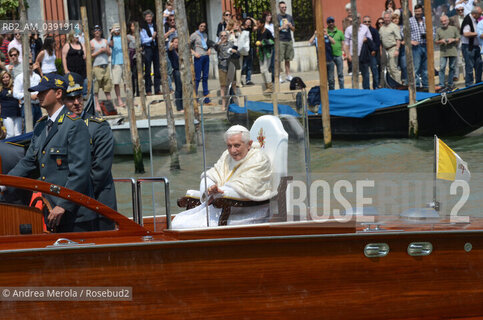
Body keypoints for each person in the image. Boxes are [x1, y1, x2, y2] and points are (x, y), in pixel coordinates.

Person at [8, 73, 97, 232]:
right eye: (38, 92)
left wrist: (63, 205)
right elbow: (28, 162)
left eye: (43, 91)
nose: (39, 95)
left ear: (58, 93)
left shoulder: (74, 125)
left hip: (74, 215)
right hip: (51, 211)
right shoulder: (41, 126)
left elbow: (80, 172)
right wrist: (4, 184)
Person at [171, 125, 273, 229]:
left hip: (246, 213)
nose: (232, 150)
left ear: (249, 144)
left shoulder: (259, 159)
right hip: (221, 206)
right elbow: (211, 174)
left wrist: (219, 192)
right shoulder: (227, 156)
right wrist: (210, 188)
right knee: (177, 222)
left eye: (237, 145)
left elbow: (248, 187)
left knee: (183, 225)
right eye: (229, 146)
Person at [63, 72, 116, 229]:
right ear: (63, 100)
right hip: (74, 206)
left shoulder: (98, 127)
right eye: (71, 99)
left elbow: (100, 170)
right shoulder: (61, 129)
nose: (77, 102)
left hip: (99, 202)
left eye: (79, 97)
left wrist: (72, 194)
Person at [344, 15, 373, 89]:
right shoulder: (349, 29)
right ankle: (355, 90)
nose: (357, 20)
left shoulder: (365, 28)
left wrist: (366, 39)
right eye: (355, 18)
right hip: (353, 55)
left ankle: (366, 90)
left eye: (358, 18)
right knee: (355, 74)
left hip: (364, 55)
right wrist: (348, 55)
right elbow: (346, 43)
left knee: (365, 74)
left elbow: (370, 38)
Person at [13, 59, 42, 127]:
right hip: (27, 105)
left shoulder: (37, 77)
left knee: (39, 127)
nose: (29, 65)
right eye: (27, 64)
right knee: (28, 129)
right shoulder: (19, 77)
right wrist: (29, 96)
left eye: (31, 63)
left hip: (37, 104)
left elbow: (41, 89)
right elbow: (15, 93)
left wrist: (38, 95)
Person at [90, 25, 113, 113]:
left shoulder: (105, 41)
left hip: (105, 65)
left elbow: (109, 53)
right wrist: (98, 52)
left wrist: (105, 50)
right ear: (93, 32)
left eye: (98, 30)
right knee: (96, 88)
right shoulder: (91, 42)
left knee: (107, 87)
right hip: (97, 67)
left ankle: (110, 104)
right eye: (95, 30)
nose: (97, 32)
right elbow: (90, 56)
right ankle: (97, 105)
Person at [190, 21, 212, 105]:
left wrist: (209, 49)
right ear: (198, 26)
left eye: (204, 26)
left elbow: (207, 43)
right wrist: (194, 53)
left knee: (205, 77)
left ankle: (206, 98)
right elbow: (187, 45)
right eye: (201, 26)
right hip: (198, 57)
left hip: (206, 56)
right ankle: (195, 98)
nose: (203, 27)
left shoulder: (205, 35)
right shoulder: (194, 35)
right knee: (197, 78)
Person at [140, 10, 161, 96]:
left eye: (150, 17)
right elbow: (143, 40)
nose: (148, 18)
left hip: (156, 48)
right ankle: (148, 90)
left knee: (157, 69)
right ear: (145, 18)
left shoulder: (155, 26)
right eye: (147, 17)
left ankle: (157, 89)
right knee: (148, 69)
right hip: (148, 48)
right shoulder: (143, 27)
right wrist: (152, 38)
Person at [215, 31, 237, 110]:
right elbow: (215, 47)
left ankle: (235, 101)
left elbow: (237, 51)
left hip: (231, 65)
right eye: (222, 36)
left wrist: (235, 51)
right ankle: (223, 104)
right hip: (222, 66)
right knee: (223, 86)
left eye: (225, 35)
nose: (223, 37)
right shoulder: (218, 44)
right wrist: (220, 42)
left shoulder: (231, 44)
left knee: (233, 84)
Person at [435, 15, 460, 88]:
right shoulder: (438, 30)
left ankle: (450, 83)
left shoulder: (454, 29)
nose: (443, 22)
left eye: (445, 21)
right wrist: (441, 41)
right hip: (443, 52)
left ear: (448, 21)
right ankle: (441, 84)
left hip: (453, 51)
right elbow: (435, 41)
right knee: (442, 67)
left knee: (452, 67)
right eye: (442, 21)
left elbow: (458, 38)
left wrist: (453, 40)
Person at [461, 6, 482, 87]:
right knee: (469, 66)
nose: (480, 16)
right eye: (479, 14)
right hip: (468, 47)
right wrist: (478, 33)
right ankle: (469, 84)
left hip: (476, 46)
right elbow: (465, 33)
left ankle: (479, 82)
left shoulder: (477, 20)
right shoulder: (468, 20)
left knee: (479, 64)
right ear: (474, 14)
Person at [409, 4, 429, 87]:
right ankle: (417, 86)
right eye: (416, 11)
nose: (418, 13)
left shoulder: (426, 20)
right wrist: (411, 41)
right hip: (416, 47)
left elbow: (433, 31)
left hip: (426, 45)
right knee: (416, 68)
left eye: (419, 11)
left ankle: (426, 85)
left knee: (426, 69)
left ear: (422, 11)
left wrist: (430, 38)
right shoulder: (410, 20)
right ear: (414, 11)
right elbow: (403, 33)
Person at [379, 11, 402, 83]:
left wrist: (397, 50)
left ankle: (398, 84)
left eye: (388, 17)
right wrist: (381, 51)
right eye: (385, 18)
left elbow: (398, 39)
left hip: (393, 48)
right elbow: (380, 41)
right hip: (385, 50)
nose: (386, 19)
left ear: (390, 18)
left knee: (393, 68)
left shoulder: (394, 27)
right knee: (388, 69)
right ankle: (392, 84)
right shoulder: (381, 28)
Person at [277, 1, 295, 82]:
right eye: (282, 7)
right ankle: (279, 76)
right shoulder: (277, 17)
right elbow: (274, 30)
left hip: (288, 39)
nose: (284, 9)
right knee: (279, 59)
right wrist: (281, 27)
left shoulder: (289, 17)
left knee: (288, 59)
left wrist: (291, 26)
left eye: (285, 7)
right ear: (279, 8)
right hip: (281, 40)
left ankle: (288, 75)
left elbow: (294, 29)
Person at [0, 71, 21, 138]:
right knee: (11, 134)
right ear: (1, 79)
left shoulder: (15, 87)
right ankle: (5, 147)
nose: (5, 79)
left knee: (18, 134)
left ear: (10, 78)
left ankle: (18, 148)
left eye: (7, 77)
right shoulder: (1, 89)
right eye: (3, 78)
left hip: (17, 113)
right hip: (6, 114)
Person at [256, 17, 275, 94]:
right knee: (261, 70)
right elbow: (257, 41)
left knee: (265, 69)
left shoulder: (267, 32)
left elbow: (272, 41)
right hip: (261, 52)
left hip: (267, 53)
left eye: (258, 23)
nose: (257, 25)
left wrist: (263, 43)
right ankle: (266, 85)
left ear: (262, 24)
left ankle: (270, 87)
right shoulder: (258, 32)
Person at [109, 23, 125, 108]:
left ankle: (128, 98)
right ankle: (119, 99)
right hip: (116, 62)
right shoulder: (111, 38)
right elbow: (110, 44)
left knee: (127, 82)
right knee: (116, 82)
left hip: (125, 61)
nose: (117, 31)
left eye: (118, 29)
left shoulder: (123, 37)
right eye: (116, 29)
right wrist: (111, 34)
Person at [326, 16, 345, 89]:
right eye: (329, 22)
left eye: (332, 21)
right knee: (331, 77)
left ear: (334, 22)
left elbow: (343, 43)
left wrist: (344, 53)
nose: (331, 23)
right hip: (329, 57)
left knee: (340, 74)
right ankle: (332, 91)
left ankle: (342, 90)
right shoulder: (325, 32)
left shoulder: (339, 32)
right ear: (327, 23)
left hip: (338, 55)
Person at [363, 16, 381, 89]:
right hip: (363, 55)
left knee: (374, 72)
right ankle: (366, 88)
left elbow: (377, 42)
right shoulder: (360, 31)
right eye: (365, 22)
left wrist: (374, 50)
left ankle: (375, 86)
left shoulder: (374, 31)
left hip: (372, 54)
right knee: (365, 73)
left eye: (368, 21)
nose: (367, 23)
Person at [450, 4, 466, 81]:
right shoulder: (453, 18)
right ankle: (456, 75)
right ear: (456, 11)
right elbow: (449, 28)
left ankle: (465, 74)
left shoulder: (467, 17)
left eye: (462, 10)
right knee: (456, 58)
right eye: (459, 10)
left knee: (464, 57)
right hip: (457, 40)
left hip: (465, 39)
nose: (460, 11)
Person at [239, 18, 256, 86]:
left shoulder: (250, 29)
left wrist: (251, 19)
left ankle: (248, 80)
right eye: (247, 22)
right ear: (244, 22)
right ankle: (239, 79)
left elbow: (256, 25)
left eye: (250, 22)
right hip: (243, 48)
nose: (249, 23)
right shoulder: (241, 28)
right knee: (243, 65)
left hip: (249, 48)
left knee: (249, 65)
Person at [168, 37, 183, 111]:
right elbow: (170, 49)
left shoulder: (180, 50)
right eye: (175, 42)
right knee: (178, 88)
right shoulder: (172, 51)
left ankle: (183, 104)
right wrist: (171, 44)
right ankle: (179, 106)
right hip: (176, 70)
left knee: (183, 88)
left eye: (178, 42)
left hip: (183, 70)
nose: (177, 44)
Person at [127, 21, 139, 97]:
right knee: (132, 75)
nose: (133, 28)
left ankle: (139, 91)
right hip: (131, 57)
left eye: (134, 26)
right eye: (132, 26)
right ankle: (133, 91)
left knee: (139, 75)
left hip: (139, 56)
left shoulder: (140, 36)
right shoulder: (128, 36)